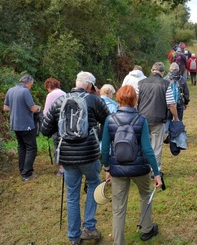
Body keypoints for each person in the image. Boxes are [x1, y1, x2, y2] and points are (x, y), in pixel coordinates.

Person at [41, 71, 110, 245]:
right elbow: (109, 119)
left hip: (68, 158)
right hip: (89, 154)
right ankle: (89, 227)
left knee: (72, 195)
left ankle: (73, 236)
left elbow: (45, 130)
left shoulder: (59, 101)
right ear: (89, 85)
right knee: (94, 185)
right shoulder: (94, 100)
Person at [101, 85, 162, 244]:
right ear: (135, 100)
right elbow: (148, 149)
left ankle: (118, 242)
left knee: (118, 207)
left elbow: (105, 148)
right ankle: (147, 229)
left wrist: (107, 168)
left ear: (119, 99)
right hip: (140, 167)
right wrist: (156, 173)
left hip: (118, 168)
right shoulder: (141, 120)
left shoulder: (110, 119)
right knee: (145, 195)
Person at [137, 62, 178, 173]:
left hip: (142, 119)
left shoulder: (140, 83)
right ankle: (155, 170)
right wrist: (176, 118)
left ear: (152, 70)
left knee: (144, 144)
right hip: (157, 120)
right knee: (156, 146)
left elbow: (135, 102)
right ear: (163, 72)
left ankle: (143, 168)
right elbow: (171, 104)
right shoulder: (165, 84)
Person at [3, 74, 42, 182]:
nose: (31, 86)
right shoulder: (25, 91)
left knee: (21, 147)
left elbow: (5, 108)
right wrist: (39, 108)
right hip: (26, 124)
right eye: (31, 85)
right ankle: (27, 173)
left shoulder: (10, 90)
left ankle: (22, 170)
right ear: (28, 82)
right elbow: (33, 108)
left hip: (15, 124)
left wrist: (16, 107)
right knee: (31, 148)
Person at [43, 78, 66, 177]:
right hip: (66, 123)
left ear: (49, 86)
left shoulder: (51, 95)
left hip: (56, 123)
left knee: (57, 145)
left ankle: (61, 168)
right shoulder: (64, 93)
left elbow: (46, 112)